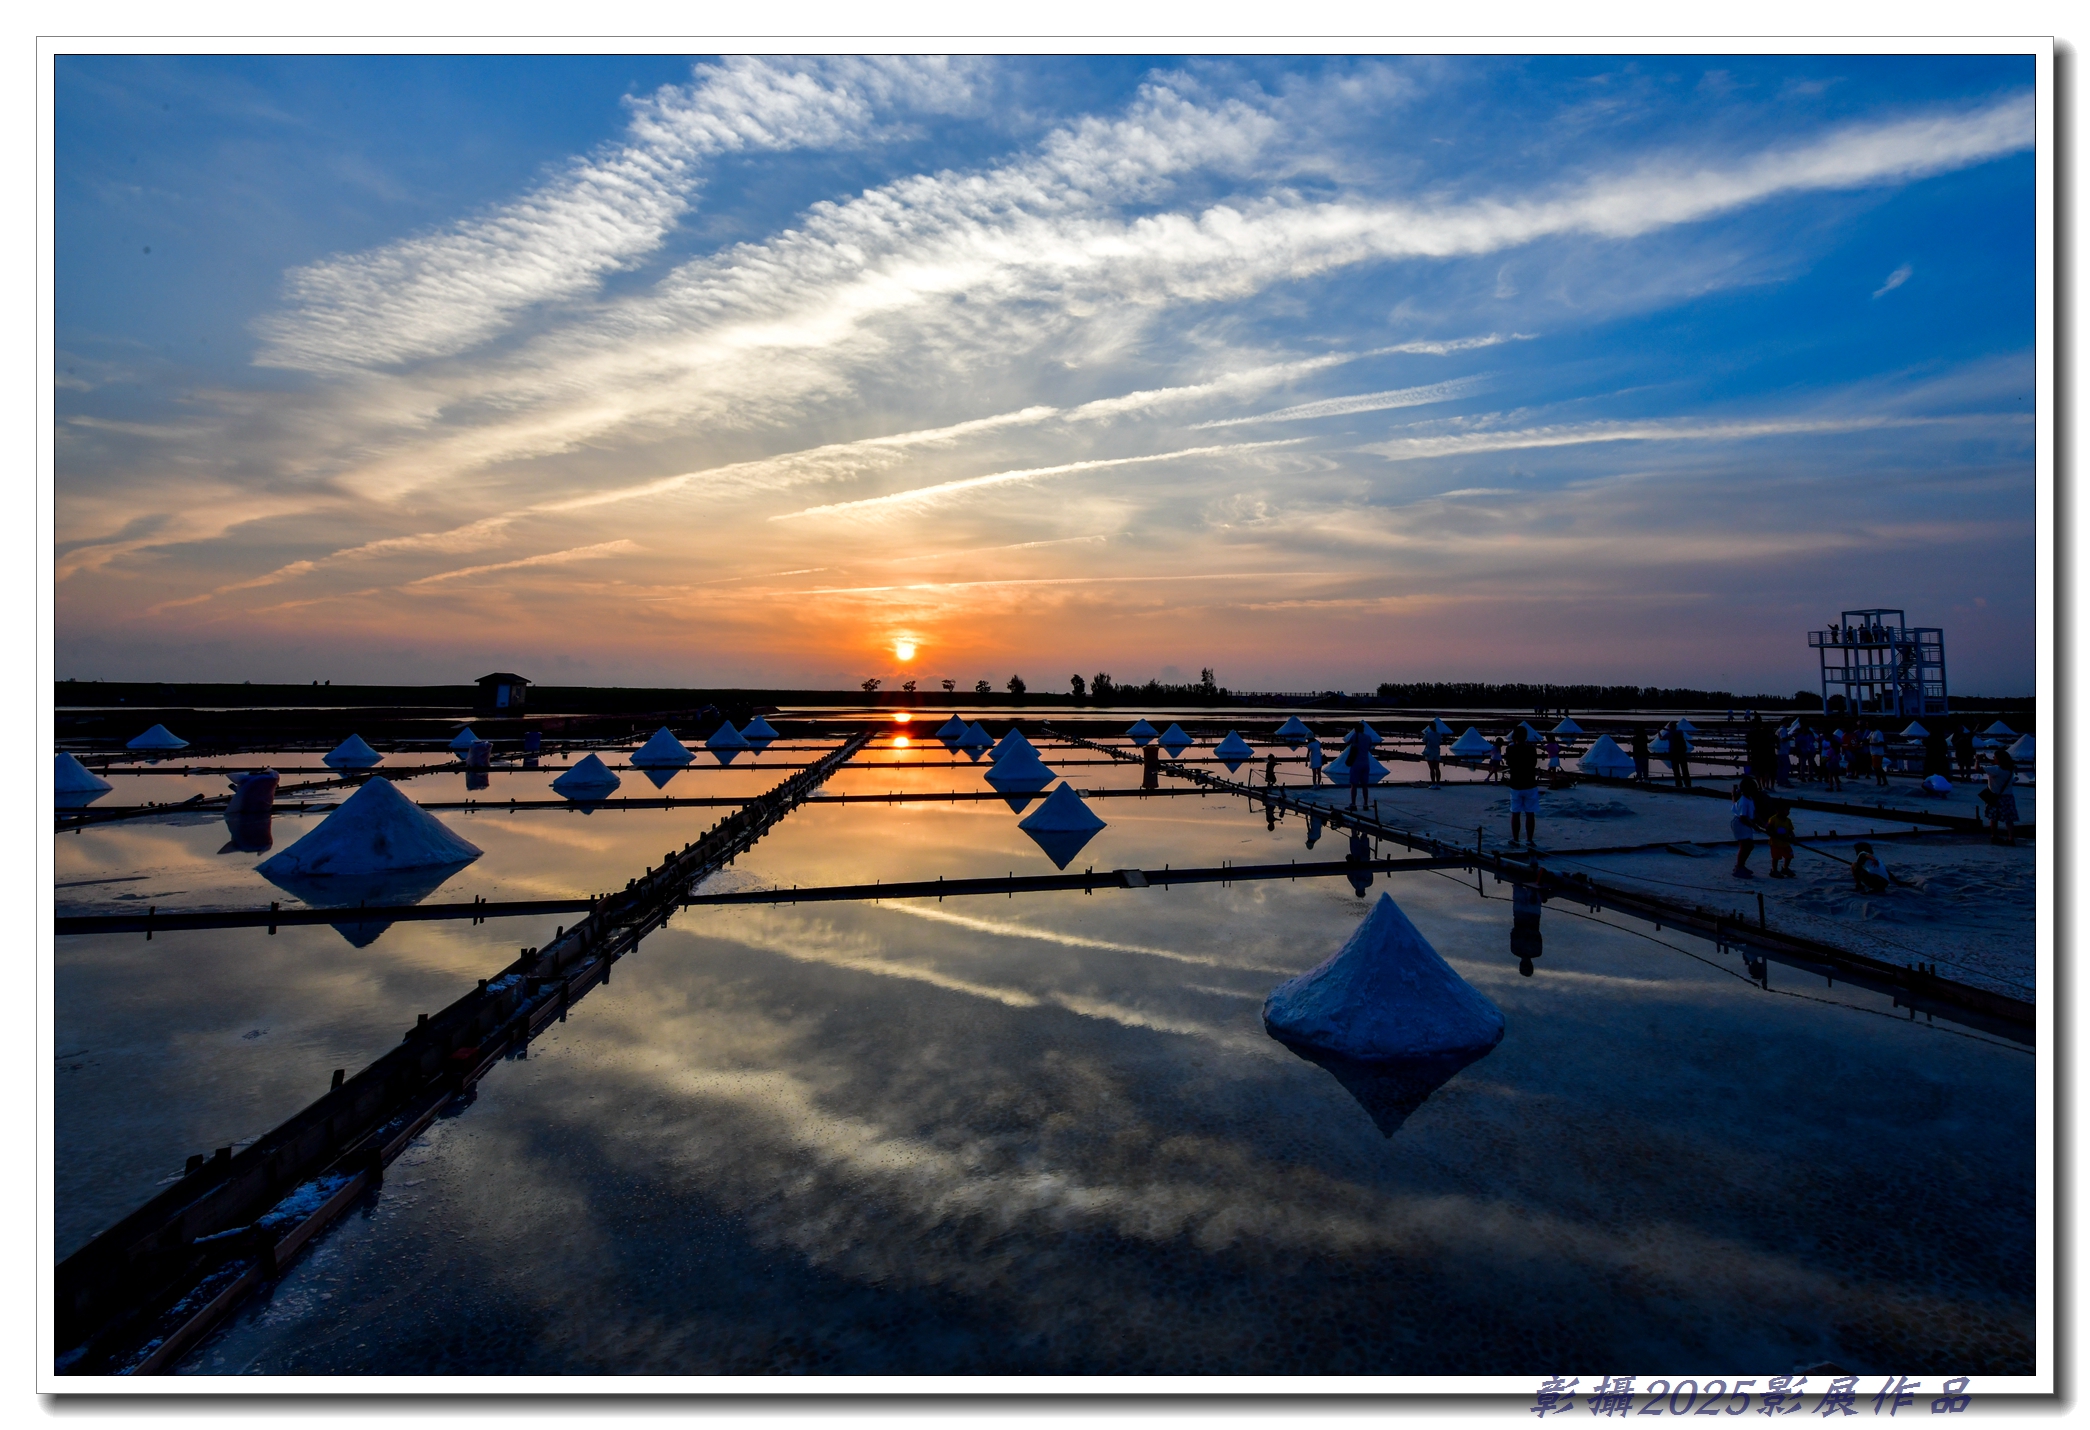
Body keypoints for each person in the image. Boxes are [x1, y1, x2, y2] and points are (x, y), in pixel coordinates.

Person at [1504, 727, 1541, 845]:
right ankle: (1529, 840)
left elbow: (1509, 763)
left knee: (1515, 813)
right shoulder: (1531, 749)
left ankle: (1515, 839)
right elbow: (1533, 764)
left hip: (1516, 784)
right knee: (1530, 813)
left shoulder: (1510, 749)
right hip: (1530, 783)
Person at [1982, 748, 2020, 845]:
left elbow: (1978, 769)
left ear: (1999, 759)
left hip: (1995, 796)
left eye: (1994, 757)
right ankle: (2011, 838)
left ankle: (1994, 836)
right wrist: (1987, 759)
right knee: (2009, 819)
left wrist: (1977, 760)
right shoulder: (2010, 769)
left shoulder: (1996, 769)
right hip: (2008, 797)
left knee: (1993, 818)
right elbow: (1997, 764)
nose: (1993, 759)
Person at [1730, 775, 1760, 878]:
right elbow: (1743, 817)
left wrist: (1763, 823)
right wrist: (1754, 826)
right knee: (1745, 846)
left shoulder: (1749, 799)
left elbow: (1754, 813)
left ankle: (1741, 865)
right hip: (1740, 824)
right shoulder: (1744, 801)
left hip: (1745, 823)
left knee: (1749, 846)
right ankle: (1739, 867)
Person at [1344, 722, 1372, 810]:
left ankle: (1353, 804)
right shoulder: (1368, 737)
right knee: (1365, 785)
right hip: (1366, 763)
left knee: (1354, 785)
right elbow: (1369, 747)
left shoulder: (1355, 736)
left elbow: (1347, 743)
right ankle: (1365, 804)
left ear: (1355, 729)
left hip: (1356, 764)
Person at [1766, 803, 1796, 878]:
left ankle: (1785, 868)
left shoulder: (1788, 820)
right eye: (1786, 810)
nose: (1788, 812)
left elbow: (1790, 830)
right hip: (1775, 843)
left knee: (1789, 856)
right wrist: (1773, 834)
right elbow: (1768, 829)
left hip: (1785, 843)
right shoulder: (1773, 819)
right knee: (1776, 858)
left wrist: (1793, 837)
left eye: (1789, 810)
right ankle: (1774, 870)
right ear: (1779, 811)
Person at [1668, 723, 1693, 788]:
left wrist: (1658, 731)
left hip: (1674, 754)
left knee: (1676, 770)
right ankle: (1687, 783)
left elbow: (1661, 738)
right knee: (1685, 769)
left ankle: (1679, 784)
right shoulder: (1679, 732)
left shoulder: (1670, 733)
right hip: (1682, 754)